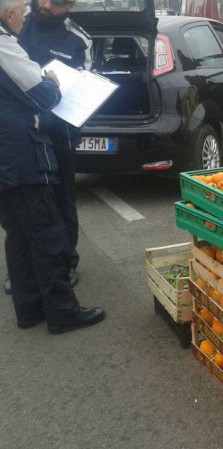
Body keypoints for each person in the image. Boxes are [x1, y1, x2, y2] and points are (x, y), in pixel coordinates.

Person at [0, 0, 105, 333]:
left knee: (21, 230)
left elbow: (86, 76)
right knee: (45, 230)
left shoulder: (77, 38)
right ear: (9, 14)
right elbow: (42, 94)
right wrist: (52, 83)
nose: (41, 6)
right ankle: (61, 311)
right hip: (22, 148)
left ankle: (29, 307)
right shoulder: (5, 42)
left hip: (38, 141)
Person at [15, 0, 93, 295]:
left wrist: (82, 83)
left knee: (62, 199)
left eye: (57, 2)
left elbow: (87, 84)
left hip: (60, 132)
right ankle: (24, 268)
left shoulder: (79, 39)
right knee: (22, 201)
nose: (46, 5)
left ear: (71, 5)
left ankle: (65, 263)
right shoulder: (14, 24)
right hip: (19, 131)